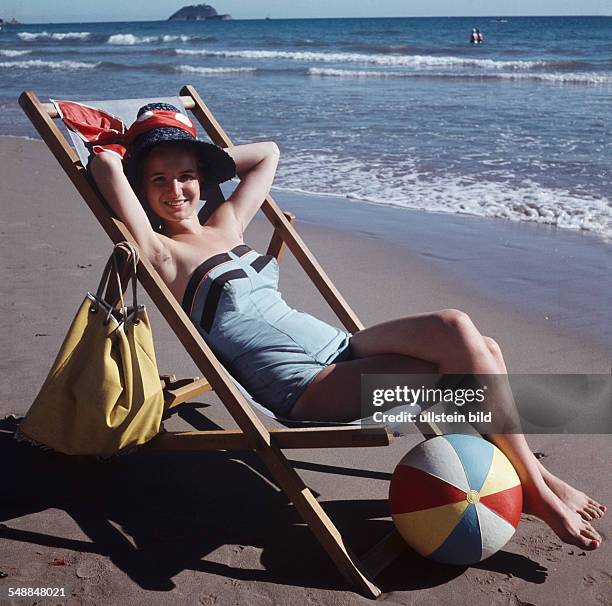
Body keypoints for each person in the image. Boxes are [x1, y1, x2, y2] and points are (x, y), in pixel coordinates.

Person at [90, 102, 605, 551]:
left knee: (468, 335)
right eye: (158, 180)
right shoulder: (163, 254)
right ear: (141, 189)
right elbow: (104, 164)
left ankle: (533, 480)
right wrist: (123, 148)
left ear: (203, 177)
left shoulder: (225, 222)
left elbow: (268, 152)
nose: (176, 190)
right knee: (462, 366)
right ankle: (537, 487)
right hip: (302, 385)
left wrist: (197, 150)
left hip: (338, 347)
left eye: (186, 175)